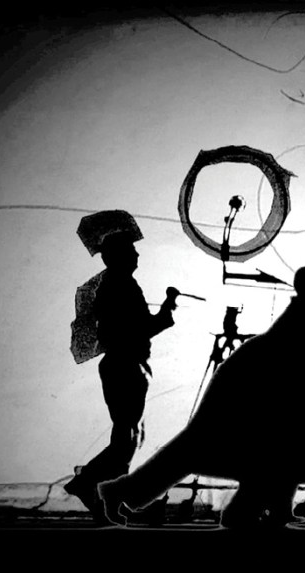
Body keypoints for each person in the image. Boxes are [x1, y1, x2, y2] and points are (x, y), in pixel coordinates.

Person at [98, 265, 305, 528]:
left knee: (275, 450)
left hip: (260, 374)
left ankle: (265, 510)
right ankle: (125, 493)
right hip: (264, 380)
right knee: (242, 448)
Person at [64, 223, 178, 522]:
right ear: (118, 257)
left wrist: (165, 310)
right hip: (125, 365)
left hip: (122, 364)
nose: (137, 255)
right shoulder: (121, 286)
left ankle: (110, 497)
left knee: (127, 436)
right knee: (126, 438)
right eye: (131, 250)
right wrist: (167, 308)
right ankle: (89, 483)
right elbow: (142, 328)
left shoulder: (116, 285)